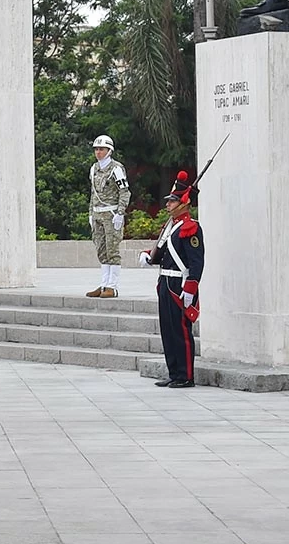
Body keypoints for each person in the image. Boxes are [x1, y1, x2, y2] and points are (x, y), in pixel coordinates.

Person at [140, 171, 204, 388]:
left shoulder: (190, 227)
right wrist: (150, 256)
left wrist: (190, 288)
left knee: (181, 331)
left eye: (173, 201)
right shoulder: (170, 226)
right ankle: (174, 372)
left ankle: (186, 375)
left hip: (179, 285)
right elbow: (167, 255)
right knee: (168, 329)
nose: (168, 205)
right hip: (165, 282)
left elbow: (196, 262)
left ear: (183, 203)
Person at [86, 135, 131, 299]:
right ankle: (104, 284)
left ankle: (112, 286)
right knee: (101, 250)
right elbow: (93, 194)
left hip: (111, 215)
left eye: (101, 149)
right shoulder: (94, 169)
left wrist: (120, 213)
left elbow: (124, 192)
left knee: (112, 250)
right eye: (96, 149)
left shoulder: (116, 168)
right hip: (98, 214)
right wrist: (91, 213)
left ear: (109, 150)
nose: (98, 152)